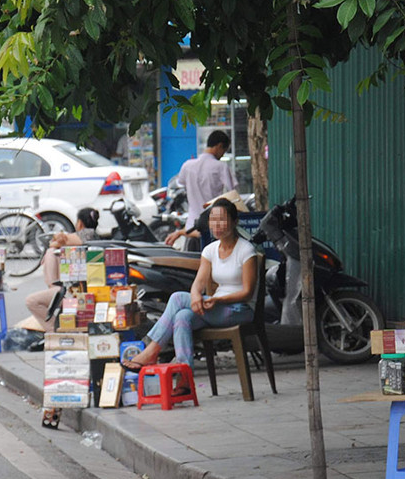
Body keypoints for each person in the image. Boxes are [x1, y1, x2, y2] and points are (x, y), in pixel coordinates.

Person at [122, 198, 257, 381]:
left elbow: (247, 292)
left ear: (234, 222)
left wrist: (217, 300)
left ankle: (152, 350)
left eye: (222, 220)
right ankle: (185, 378)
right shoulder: (210, 250)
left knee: (178, 298)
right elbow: (199, 282)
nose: (217, 225)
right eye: (213, 220)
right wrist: (196, 296)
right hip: (215, 308)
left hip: (239, 310)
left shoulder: (246, 250)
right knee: (182, 317)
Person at [25, 208, 100, 332]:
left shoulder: (79, 237)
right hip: (86, 291)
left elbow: (57, 241)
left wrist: (54, 245)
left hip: (70, 293)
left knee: (31, 301)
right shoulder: (97, 239)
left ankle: (55, 330)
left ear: (79, 223)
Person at [165, 131, 237, 246]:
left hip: (191, 229)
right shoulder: (220, 167)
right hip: (214, 230)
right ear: (219, 146)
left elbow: (180, 183)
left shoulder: (187, 165)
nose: (223, 155)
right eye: (224, 150)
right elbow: (233, 193)